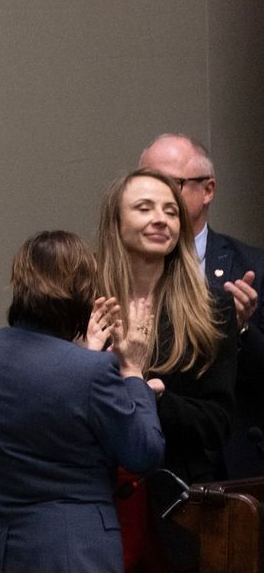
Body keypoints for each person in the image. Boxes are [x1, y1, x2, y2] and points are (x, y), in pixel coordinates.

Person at [0, 230, 164, 573]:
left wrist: (80, 354)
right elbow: (143, 452)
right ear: (83, 294)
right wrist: (133, 372)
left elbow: (42, 391)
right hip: (71, 552)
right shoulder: (92, 372)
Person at [97, 168, 237, 571]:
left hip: (174, 500)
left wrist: (155, 397)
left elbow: (219, 421)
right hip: (96, 497)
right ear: (116, 223)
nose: (161, 219)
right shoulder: (84, 302)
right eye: (144, 208)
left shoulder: (211, 310)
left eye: (170, 212)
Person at [139, 133, 264, 476]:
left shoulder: (251, 266)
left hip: (224, 465)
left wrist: (238, 328)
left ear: (207, 190)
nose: (156, 195)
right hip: (141, 461)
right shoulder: (118, 270)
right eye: (146, 183)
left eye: (170, 183)